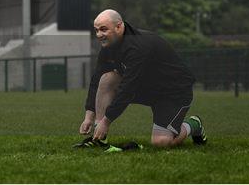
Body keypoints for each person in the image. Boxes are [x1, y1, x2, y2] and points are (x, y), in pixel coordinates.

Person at [76, 9, 207, 148]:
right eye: (96, 30)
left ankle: (194, 124)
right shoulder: (109, 45)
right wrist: (89, 117)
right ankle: (99, 138)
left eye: (103, 29)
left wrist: (106, 122)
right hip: (147, 88)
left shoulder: (138, 47)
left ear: (119, 26)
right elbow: (96, 80)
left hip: (173, 92)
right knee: (107, 79)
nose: (99, 35)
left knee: (161, 143)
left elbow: (127, 88)